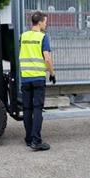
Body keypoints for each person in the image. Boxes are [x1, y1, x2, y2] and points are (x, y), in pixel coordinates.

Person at [19, 11, 56, 151]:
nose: (46, 24)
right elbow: (47, 58)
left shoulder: (23, 36)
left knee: (27, 109)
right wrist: (52, 73)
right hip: (38, 78)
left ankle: (28, 138)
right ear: (39, 22)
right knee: (37, 109)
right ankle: (36, 140)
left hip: (25, 78)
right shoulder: (42, 37)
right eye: (45, 22)